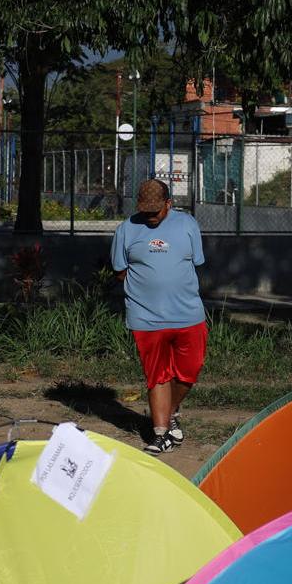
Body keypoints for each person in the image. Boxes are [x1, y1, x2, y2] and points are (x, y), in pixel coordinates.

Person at [111, 179, 206, 454]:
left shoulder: (187, 225)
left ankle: (171, 411)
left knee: (189, 372)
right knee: (157, 376)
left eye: (156, 211)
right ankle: (161, 433)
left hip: (188, 315)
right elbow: (120, 270)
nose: (151, 217)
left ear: (169, 204)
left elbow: (195, 262)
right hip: (146, 318)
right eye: (146, 211)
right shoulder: (126, 230)